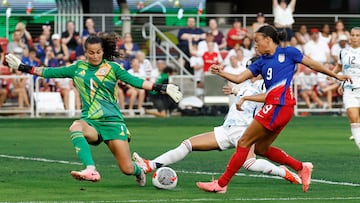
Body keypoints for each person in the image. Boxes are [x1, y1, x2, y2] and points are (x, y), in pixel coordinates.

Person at [5, 32, 183, 185]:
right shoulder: (77, 68)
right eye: (91, 53)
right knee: (75, 126)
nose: (95, 56)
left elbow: (135, 81)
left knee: (127, 168)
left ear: (103, 51)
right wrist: (21, 67)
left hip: (113, 122)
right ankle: (91, 169)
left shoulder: (113, 68)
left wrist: (163, 87)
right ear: (85, 52)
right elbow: (48, 71)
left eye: (98, 52)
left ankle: (139, 171)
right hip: (91, 122)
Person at [195, 25, 350, 193]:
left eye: (257, 41)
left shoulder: (289, 52)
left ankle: (221, 184)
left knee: (243, 142)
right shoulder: (261, 62)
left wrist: (336, 76)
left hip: (278, 106)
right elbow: (239, 78)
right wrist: (221, 73)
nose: (255, 45)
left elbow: (312, 64)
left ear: (268, 40)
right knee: (260, 148)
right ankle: (301, 167)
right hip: (279, 108)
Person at [133, 75, 301, 185]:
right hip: (227, 129)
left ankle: (283, 172)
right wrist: (232, 87)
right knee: (187, 144)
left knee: (249, 163)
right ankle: (149, 166)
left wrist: (246, 96)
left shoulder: (266, 85)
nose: (250, 72)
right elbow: (241, 90)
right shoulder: (246, 85)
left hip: (245, 130)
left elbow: (269, 97)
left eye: (253, 69)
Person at [333, 27, 360, 146]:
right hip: (349, 89)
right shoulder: (343, 52)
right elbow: (340, 66)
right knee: (353, 118)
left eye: (357, 35)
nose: (354, 38)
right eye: (353, 35)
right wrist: (333, 74)